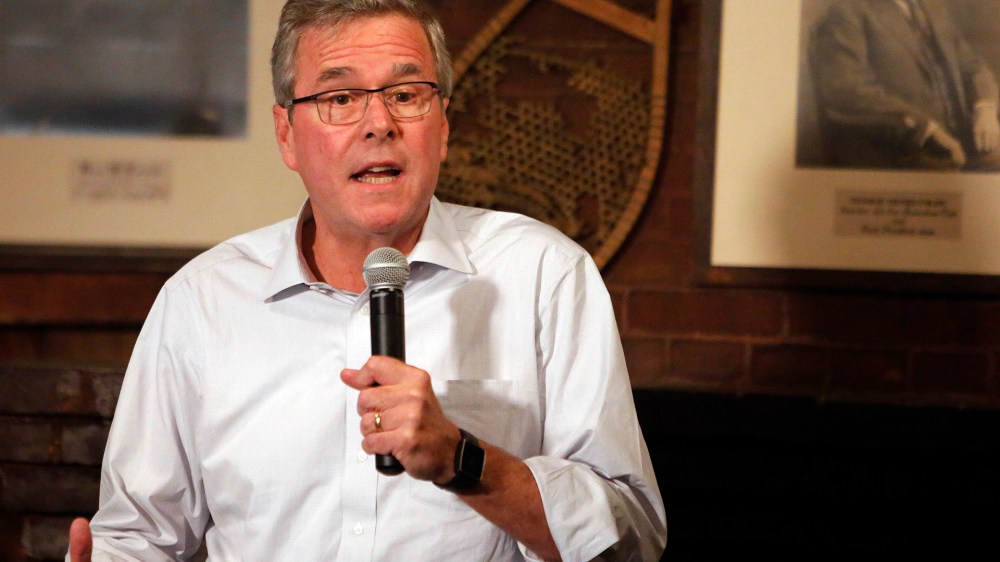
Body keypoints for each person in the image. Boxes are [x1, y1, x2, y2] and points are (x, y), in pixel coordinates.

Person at [66, 0, 667, 560]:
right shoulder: (202, 300)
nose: (379, 123)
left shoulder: (543, 274)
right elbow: (139, 534)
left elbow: (631, 535)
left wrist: (465, 461)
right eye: (340, 98)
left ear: (445, 126)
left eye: (406, 94)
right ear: (287, 135)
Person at [809, 0, 1000, 171]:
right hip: (900, 151)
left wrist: (986, 109)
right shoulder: (846, 12)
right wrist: (925, 130)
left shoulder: (933, 7)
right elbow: (847, 91)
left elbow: (973, 66)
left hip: (963, 139)